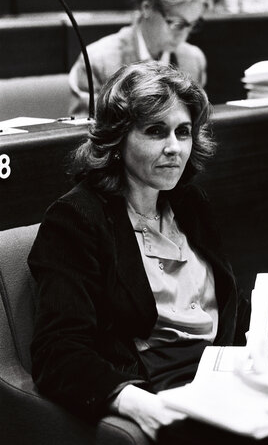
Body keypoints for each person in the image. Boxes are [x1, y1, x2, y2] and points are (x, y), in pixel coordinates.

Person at [28, 61, 252, 444]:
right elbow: (58, 352)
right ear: (118, 140)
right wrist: (134, 402)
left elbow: (228, 304)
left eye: (184, 132)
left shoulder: (188, 202)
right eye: (155, 131)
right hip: (163, 387)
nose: (174, 148)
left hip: (223, 377)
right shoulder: (76, 219)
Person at [69, 0, 213, 117]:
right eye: (177, 23)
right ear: (147, 8)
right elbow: (84, 134)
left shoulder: (193, 61)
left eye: (191, 25)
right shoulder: (97, 61)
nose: (183, 35)